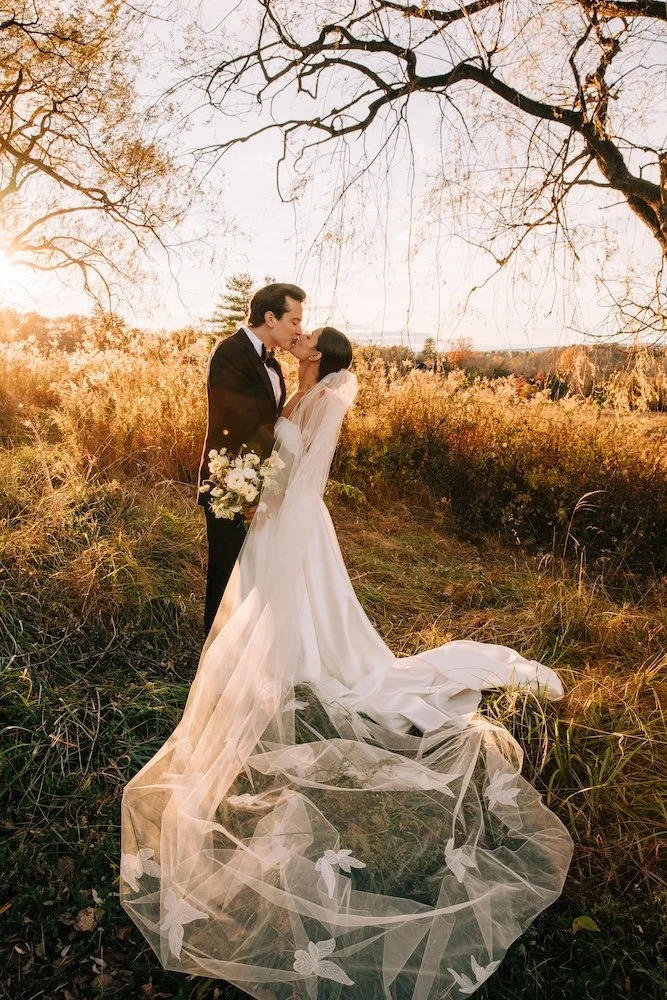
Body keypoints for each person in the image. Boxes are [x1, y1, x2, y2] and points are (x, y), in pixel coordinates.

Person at [122, 327, 572, 999]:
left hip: (299, 518)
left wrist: (276, 504)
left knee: (321, 622)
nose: (296, 340)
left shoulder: (331, 393)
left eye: (306, 339)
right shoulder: (295, 386)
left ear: (319, 357)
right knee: (282, 611)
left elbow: (313, 467)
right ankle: (295, 658)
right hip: (277, 513)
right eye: (293, 331)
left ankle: (307, 662)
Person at [198, 282, 305, 637]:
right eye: (294, 320)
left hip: (259, 480)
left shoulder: (272, 362)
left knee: (253, 573)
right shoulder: (230, 352)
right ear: (270, 317)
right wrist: (256, 487)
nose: (299, 329)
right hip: (230, 481)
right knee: (226, 574)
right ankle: (213, 655)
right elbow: (239, 423)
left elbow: (272, 421)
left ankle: (243, 652)